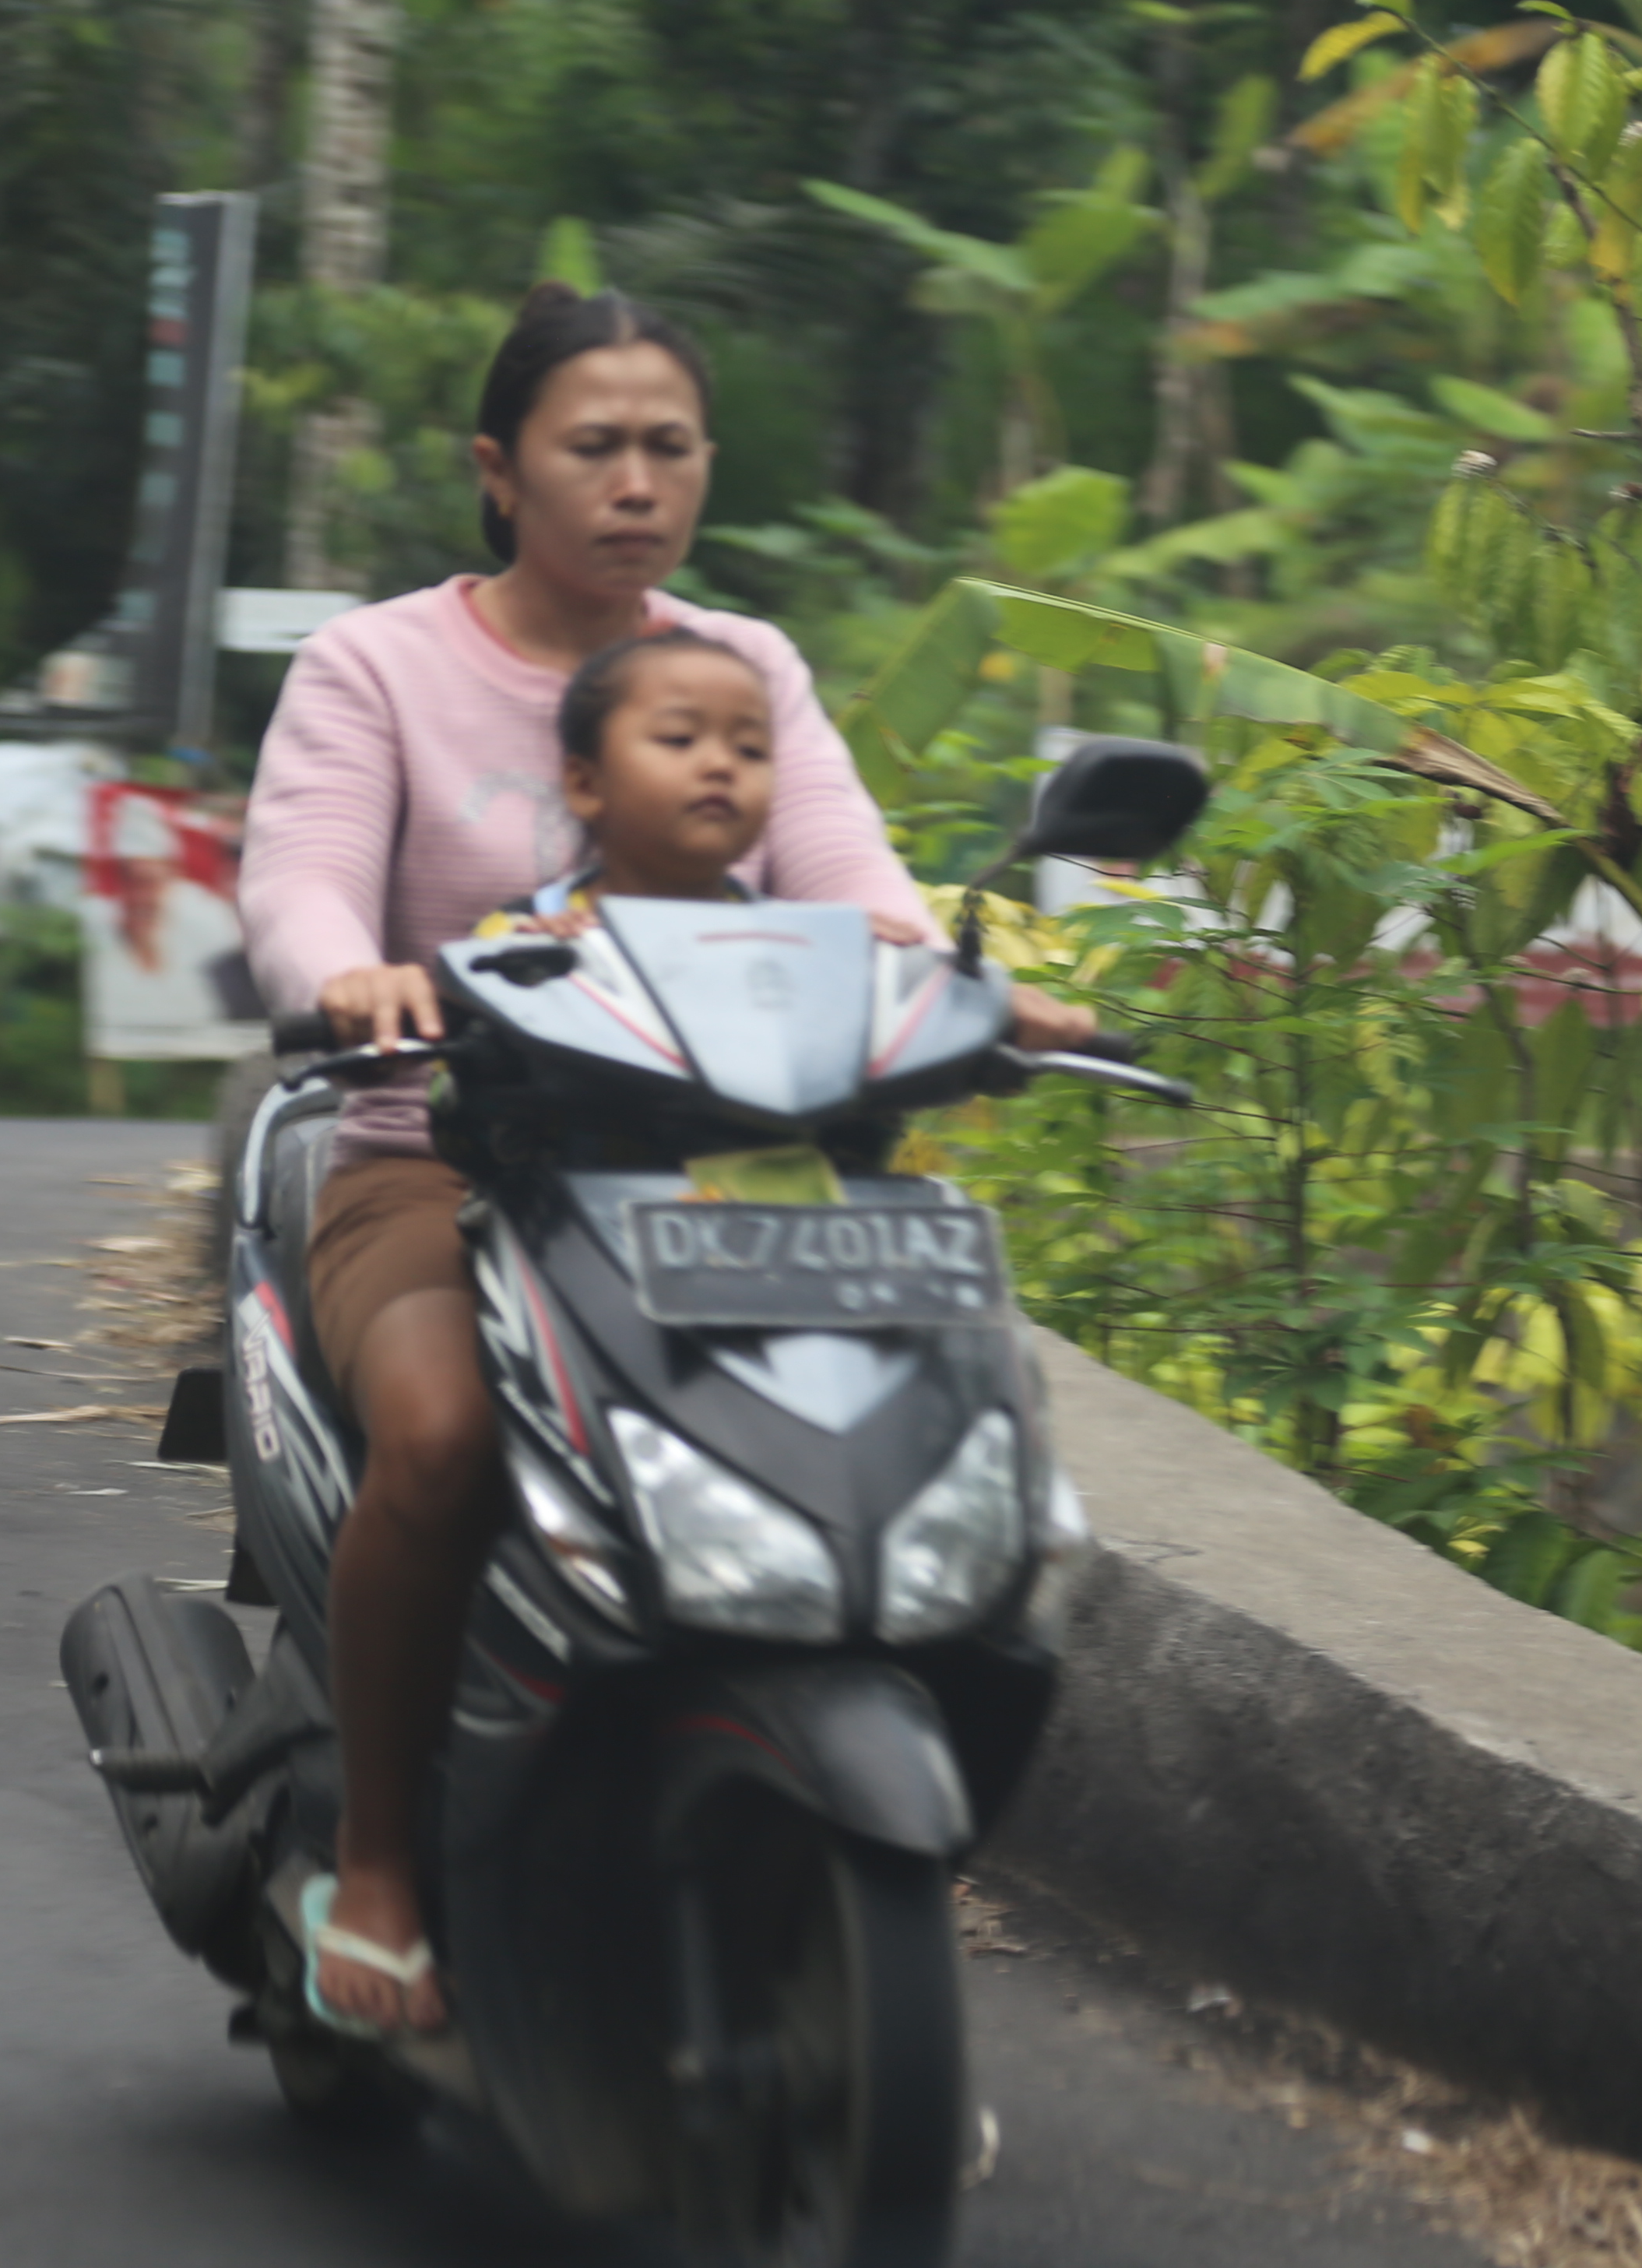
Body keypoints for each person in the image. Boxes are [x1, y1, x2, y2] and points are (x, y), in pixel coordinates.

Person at [236, 283, 1090, 2038]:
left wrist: (974, 1000)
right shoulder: (377, 665)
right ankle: (382, 1861)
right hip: (436, 1159)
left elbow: (859, 888)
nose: (637, 483)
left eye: (670, 447)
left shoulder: (742, 669)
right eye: (593, 447)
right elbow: (302, 876)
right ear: (499, 470)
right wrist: (347, 977)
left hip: (716, 1195)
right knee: (447, 1434)